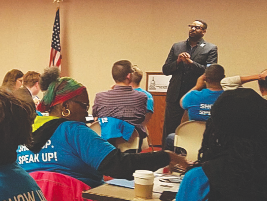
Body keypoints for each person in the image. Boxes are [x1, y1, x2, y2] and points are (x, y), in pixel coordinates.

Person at [18, 68, 186, 188]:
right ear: (65, 106)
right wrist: (166, 156)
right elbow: (120, 166)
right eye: (84, 105)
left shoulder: (24, 131)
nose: (86, 112)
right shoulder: (74, 131)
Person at [162, 20, 218, 141]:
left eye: (197, 27)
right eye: (191, 26)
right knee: (170, 128)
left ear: (203, 32)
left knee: (195, 127)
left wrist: (191, 63)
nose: (192, 29)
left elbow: (209, 72)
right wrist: (178, 61)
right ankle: (167, 156)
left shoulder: (210, 48)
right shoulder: (177, 46)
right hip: (175, 93)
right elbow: (165, 69)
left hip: (197, 94)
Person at [92, 60, 151, 137]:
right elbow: (141, 119)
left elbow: (94, 117)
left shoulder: (100, 97)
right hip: (132, 142)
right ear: (129, 76)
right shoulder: (141, 97)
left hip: (106, 143)